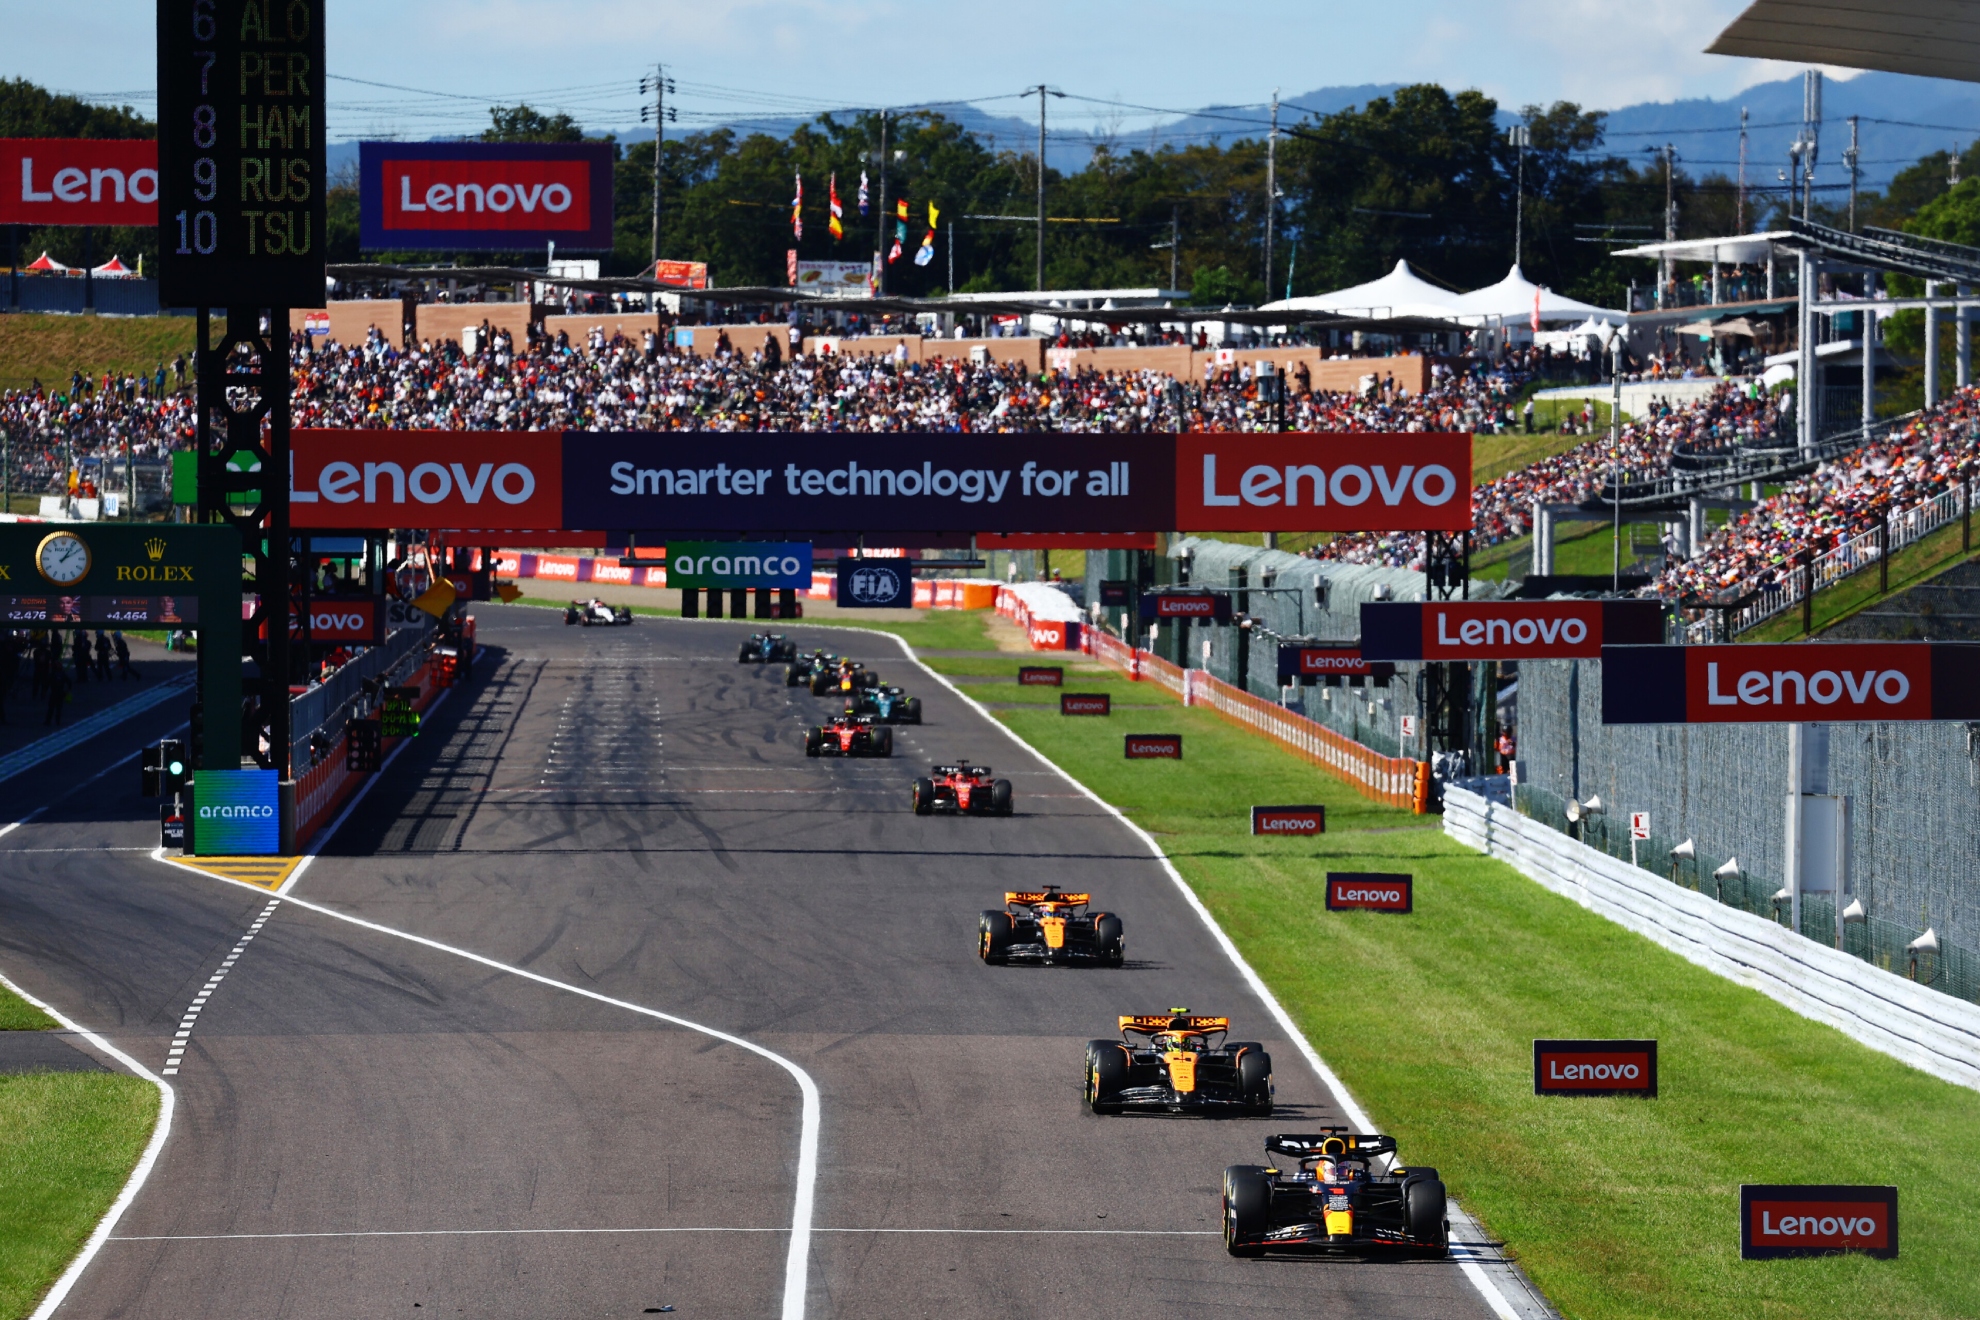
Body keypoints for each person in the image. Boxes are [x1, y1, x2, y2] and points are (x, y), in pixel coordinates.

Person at [43, 659, 71, 726]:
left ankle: (48, 721)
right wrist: (67, 690)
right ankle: (57, 721)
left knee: (51, 708)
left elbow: (46, 684)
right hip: (61, 692)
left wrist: (44, 692)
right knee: (58, 708)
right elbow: (69, 683)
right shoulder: (63, 674)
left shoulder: (52, 675)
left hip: (54, 692)